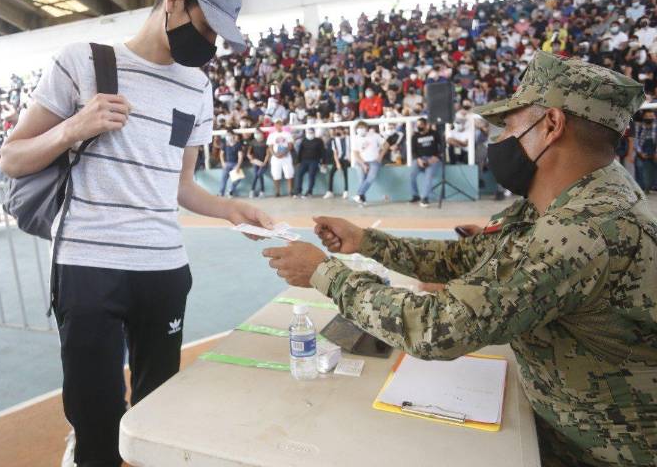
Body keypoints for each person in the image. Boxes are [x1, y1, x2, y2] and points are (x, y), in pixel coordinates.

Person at [262, 52, 656, 467]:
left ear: (552, 125)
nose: (502, 139)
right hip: (557, 424)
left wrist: (324, 273)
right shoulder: (562, 202)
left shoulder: (586, 228)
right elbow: (462, 258)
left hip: (601, 453)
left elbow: (439, 327)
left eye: (510, 125)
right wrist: (366, 241)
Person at [0, 0, 273, 466]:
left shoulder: (197, 87)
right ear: (173, 0)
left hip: (163, 271)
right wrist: (73, 128)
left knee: (158, 420)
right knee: (96, 418)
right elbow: (11, 158)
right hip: (88, 270)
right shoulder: (82, 59)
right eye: (206, 28)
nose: (209, 46)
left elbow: (181, 186)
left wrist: (230, 208)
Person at [409, 118, 442, 207]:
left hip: (433, 158)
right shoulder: (415, 136)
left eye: (421, 125)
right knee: (412, 174)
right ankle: (415, 195)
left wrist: (437, 157)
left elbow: (443, 146)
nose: (419, 127)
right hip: (420, 159)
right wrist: (418, 159)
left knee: (429, 175)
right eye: (417, 125)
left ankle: (425, 198)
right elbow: (413, 151)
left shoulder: (434, 134)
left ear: (426, 125)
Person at [352, 122, 386, 204]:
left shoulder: (374, 135)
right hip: (360, 162)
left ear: (366, 128)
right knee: (362, 180)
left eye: (362, 127)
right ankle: (362, 199)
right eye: (359, 128)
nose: (360, 129)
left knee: (371, 178)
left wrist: (380, 156)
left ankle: (358, 194)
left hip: (374, 161)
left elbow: (386, 145)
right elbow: (355, 154)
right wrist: (363, 164)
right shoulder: (355, 138)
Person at [266, 118, 295, 197]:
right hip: (276, 158)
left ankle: (290, 191)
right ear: (275, 125)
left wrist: (284, 153)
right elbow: (270, 146)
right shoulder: (272, 135)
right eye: (277, 124)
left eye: (280, 124)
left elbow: (290, 145)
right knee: (276, 175)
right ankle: (277, 192)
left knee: (289, 174)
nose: (278, 125)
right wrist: (275, 154)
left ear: (282, 125)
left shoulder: (287, 134)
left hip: (286, 157)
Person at [293, 128, 324, 198]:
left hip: (314, 161)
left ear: (314, 132)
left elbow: (322, 152)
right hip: (304, 161)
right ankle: (298, 192)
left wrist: (323, 162)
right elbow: (300, 152)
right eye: (308, 132)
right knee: (299, 173)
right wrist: (298, 161)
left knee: (311, 175)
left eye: (311, 132)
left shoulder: (319, 141)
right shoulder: (304, 140)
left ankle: (309, 192)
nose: (310, 134)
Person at [324, 126, 350, 199]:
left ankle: (346, 190)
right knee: (331, 173)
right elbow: (335, 153)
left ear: (342, 131)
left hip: (347, 159)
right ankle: (330, 191)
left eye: (339, 130)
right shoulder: (334, 140)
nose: (337, 132)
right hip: (339, 159)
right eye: (336, 131)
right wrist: (337, 163)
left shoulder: (349, 138)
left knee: (346, 173)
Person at [635, 111, 656, 194]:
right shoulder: (639, 126)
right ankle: (642, 188)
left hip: (654, 149)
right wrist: (640, 153)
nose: (649, 118)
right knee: (639, 166)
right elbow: (635, 141)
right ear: (643, 117)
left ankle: (653, 186)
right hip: (642, 150)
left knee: (652, 169)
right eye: (647, 116)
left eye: (651, 116)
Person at [218, 131, 244, 197]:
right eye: (227, 135)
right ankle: (221, 193)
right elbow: (221, 154)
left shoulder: (238, 144)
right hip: (227, 164)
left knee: (238, 178)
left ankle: (231, 191)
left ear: (233, 136)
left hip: (235, 164)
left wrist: (238, 166)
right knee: (224, 179)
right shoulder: (225, 144)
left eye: (229, 135)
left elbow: (240, 156)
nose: (228, 137)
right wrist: (223, 163)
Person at [247, 128, 269, 198]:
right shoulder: (253, 142)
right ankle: (255, 191)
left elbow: (268, 154)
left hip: (264, 162)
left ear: (262, 134)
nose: (257, 134)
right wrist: (252, 159)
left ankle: (259, 191)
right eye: (256, 133)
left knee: (259, 174)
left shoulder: (266, 142)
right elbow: (248, 153)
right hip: (256, 162)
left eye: (259, 133)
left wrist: (264, 163)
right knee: (257, 175)